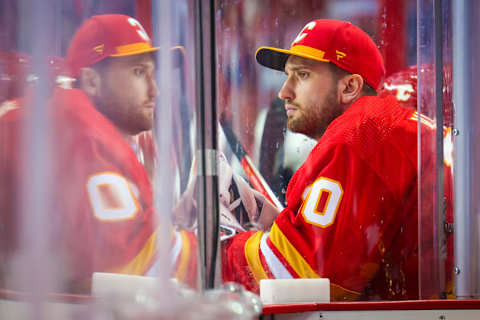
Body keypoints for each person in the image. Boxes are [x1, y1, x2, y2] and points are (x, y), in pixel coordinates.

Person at [221, 19, 442, 301]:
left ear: (350, 87)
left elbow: (299, 279)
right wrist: (278, 223)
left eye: (302, 75)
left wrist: (219, 249)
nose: (284, 92)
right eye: (288, 76)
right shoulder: (385, 127)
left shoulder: (362, 132)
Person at [0, 14, 196, 293]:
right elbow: (136, 269)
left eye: (154, 75)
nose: (156, 91)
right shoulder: (85, 134)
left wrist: (177, 220)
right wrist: (222, 251)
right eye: (139, 73)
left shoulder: (73, 121)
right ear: (91, 82)